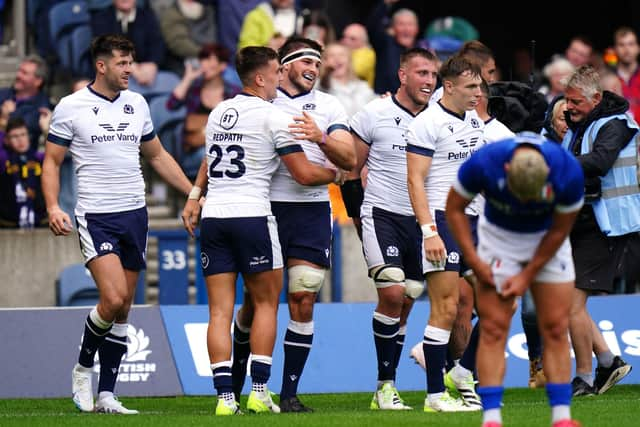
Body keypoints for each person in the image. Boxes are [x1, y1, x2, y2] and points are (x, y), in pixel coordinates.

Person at [181, 45, 345, 416]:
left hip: (215, 217)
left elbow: (211, 159)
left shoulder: (219, 111)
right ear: (260, 77)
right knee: (268, 303)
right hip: (254, 215)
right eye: (274, 73)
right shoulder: (273, 117)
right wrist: (336, 175)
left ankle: (225, 399)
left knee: (220, 312)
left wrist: (194, 195)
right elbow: (303, 174)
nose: (277, 80)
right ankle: (258, 391)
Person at [41, 34, 193, 415]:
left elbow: (157, 156)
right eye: (123, 63)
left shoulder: (137, 104)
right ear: (101, 65)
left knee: (124, 307)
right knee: (111, 299)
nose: (130, 70)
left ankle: (107, 394)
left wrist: (193, 193)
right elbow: (51, 162)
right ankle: (81, 371)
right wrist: (53, 206)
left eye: (131, 62)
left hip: (134, 214)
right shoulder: (71, 106)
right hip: (96, 216)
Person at [228, 36, 355, 413]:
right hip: (265, 207)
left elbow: (349, 157)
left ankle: (288, 394)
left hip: (312, 210)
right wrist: (198, 192)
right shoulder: (263, 100)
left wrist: (320, 136)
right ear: (283, 67)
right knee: (255, 302)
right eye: (306, 61)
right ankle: (235, 387)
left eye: (318, 63)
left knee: (303, 296)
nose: (314, 69)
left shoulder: (329, 105)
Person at [447, 132, 584, 427]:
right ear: (506, 171)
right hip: (499, 240)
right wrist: (474, 263)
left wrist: (526, 276)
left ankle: (561, 418)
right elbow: (454, 209)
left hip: (548, 240)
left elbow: (560, 232)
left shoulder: (568, 172)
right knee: (494, 328)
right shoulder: (485, 162)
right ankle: (492, 419)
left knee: (556, 327)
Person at [342, 47, 437, 410]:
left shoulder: (441, 117)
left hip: (422, 222)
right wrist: (356, 216)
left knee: (408, 298)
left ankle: (386, 386)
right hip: (382, 214)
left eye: (433, 75)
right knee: (394, 293)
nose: (429, 81)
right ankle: (385, 386)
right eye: (422, 73)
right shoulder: (374, 113)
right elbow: (351, 170)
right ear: (402, 75)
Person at [405, 54, 484, 412]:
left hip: (476, 221)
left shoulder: (472, 119)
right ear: (448, 86)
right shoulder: (428, 123)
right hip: (443, 218)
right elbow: (415, 180)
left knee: (500, 302)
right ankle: (436, 395)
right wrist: (429, 231)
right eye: (470, 86)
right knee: (446, 307)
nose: (477, 92)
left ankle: (463, 371)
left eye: (480, 85)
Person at [561, 65, 635, 396]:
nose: (569, 108)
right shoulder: (580, 126)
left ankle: (585, 378)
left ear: (596, 98)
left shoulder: (616, 124)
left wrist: (550, 161)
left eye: (575, 102)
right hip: (581, 220)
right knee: (567, 301)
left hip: (607, 224)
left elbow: (601, 162)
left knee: (571, 304)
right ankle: (606, 361)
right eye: (566, 101)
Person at [166, 43, 241, 179]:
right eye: (202, 59)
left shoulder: (233, 92)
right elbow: (172, 104)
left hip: (224, 146)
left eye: (209, 59)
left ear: (222, 65)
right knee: (207, 156)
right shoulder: (194, 88)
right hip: (195, 148)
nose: (204, 64)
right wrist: (188, 78)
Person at [90, 0, 165, 86]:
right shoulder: (101, 19)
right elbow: (104, 49)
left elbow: (157, 45)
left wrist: (152, 64)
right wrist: (130, 66)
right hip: (113, 76)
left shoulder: (148, 16)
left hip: (146, 74)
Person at [0, 117, 47, 228]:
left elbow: (54, 153)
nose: (20, 140)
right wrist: (2, 126)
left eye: (23, 135)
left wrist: (45, 130)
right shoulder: (4, 159)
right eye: (15, 136)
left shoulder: (38, 157)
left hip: (40, 221)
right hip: (9, 223)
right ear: (6, 140)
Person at [0, 54, 51, 152]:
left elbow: (22, 131)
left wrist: (5, 117)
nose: (18, 75)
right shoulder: (3, 94)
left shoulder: (42, 106)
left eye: (24, 73)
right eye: (19, 71)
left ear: (38, 81)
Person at [366, 1, 419, 94]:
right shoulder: (385, 45)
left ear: (417, 29)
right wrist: (386, 3)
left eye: (410, 24)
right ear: (392, 29)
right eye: (401, 24)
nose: (406, 29)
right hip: (385, 100)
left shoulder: (423, 50)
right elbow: (372, 27)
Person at [318, 42, 377, 118]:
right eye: (332, 55)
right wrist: (327, 73)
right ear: (324, 62)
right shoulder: (321, 85)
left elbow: (374, 106)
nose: (337, 59)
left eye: (341, 55)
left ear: (349, 61)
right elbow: (324, 84)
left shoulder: (362, 86)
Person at [613, 26, 640, 124]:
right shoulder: (608, 80)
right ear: (615, 49)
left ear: (638, 48)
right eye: (621, 45)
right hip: (618, 136)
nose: (626, 49)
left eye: (631, 44)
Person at [340, 23, 376, 87]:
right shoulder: (343, 51)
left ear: (363, 41)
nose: (346, 41)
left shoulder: (368, 54)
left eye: (352, 39)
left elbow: (354, 70)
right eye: (344, 37)